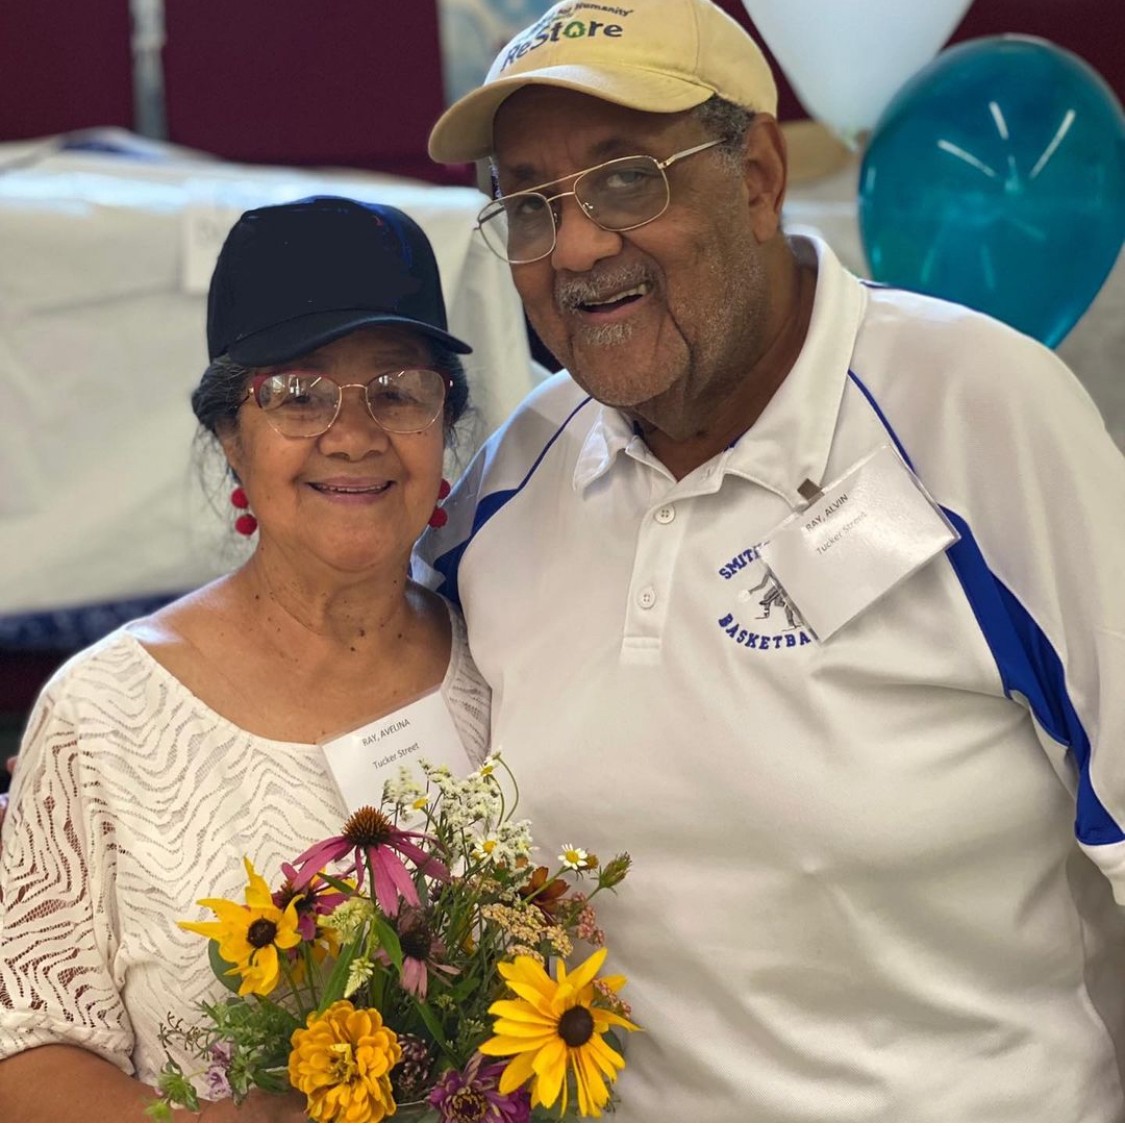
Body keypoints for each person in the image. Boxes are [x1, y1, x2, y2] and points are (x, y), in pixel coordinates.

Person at [416, 0, 1125, 1120]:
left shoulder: (984, 414)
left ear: (755, 176)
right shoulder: (511, 484)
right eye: (529, 203)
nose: (578, 246)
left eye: (625, 179)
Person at [0, 195, 490, 1120]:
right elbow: (23, 1052)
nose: (354, 433)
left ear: (444, 427)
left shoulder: (510, 659)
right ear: (231, 435)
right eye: (298, 394)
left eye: (398, 389)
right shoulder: (102, 712)